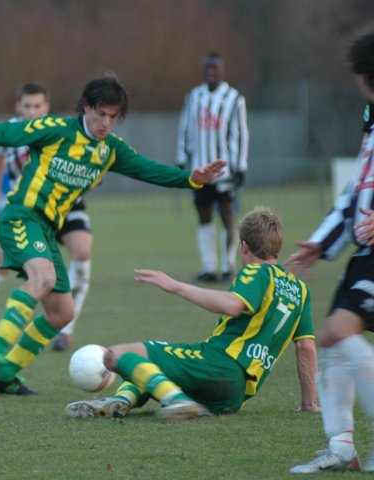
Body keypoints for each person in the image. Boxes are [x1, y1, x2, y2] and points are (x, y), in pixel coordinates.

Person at [0, 74, 226, 395]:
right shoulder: (55, 129)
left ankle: (4, 373)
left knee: (62, 313)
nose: (106, 123)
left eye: (113, 117)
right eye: (100, 113)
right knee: (43, 278)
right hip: (22, 217)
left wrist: (192, 179)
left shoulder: (111, 150)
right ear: (86, 107)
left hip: (47, 231)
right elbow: (0, 132)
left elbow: (150, 170)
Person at [65, 206, 318, 421]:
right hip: (235, 396)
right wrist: (309, 404)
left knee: (117, 355)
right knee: (147, 366)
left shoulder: (255, 273)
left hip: (217, 366)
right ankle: (120, 401)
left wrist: (175, 286)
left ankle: (175, 400)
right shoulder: (301, 291)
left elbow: (233, 305)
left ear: (244, 246)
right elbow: (306, 348)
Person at [0, 82, 92, 353]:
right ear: (17, 106)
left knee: (81, 252)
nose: (32, 110)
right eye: (27, 105)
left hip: (65, 206)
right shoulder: (9, 132)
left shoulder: (59, 130)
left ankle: (66, 330)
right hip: (28, 210)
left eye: (37, 106)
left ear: (46, 107)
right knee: (1, 262)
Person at [288, 32, 374, 474]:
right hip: (363, 254)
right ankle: (342, 447)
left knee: (338, 334)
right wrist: (322, 242)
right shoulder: (371, 117)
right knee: (333, 340)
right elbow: (356, 190)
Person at [177, 52, 249, 283]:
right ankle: (209, 267)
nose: (210, 71)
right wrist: (181, 158)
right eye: (206, 67)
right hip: (199, 169)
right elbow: (185, 129)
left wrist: (241, 165)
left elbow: (240, 133)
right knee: (203, 215)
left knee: (228, 215)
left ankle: (229, 266)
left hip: (224, 170)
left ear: (222, 70)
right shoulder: (193, 97)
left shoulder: (234, 98)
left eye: (214, 67)